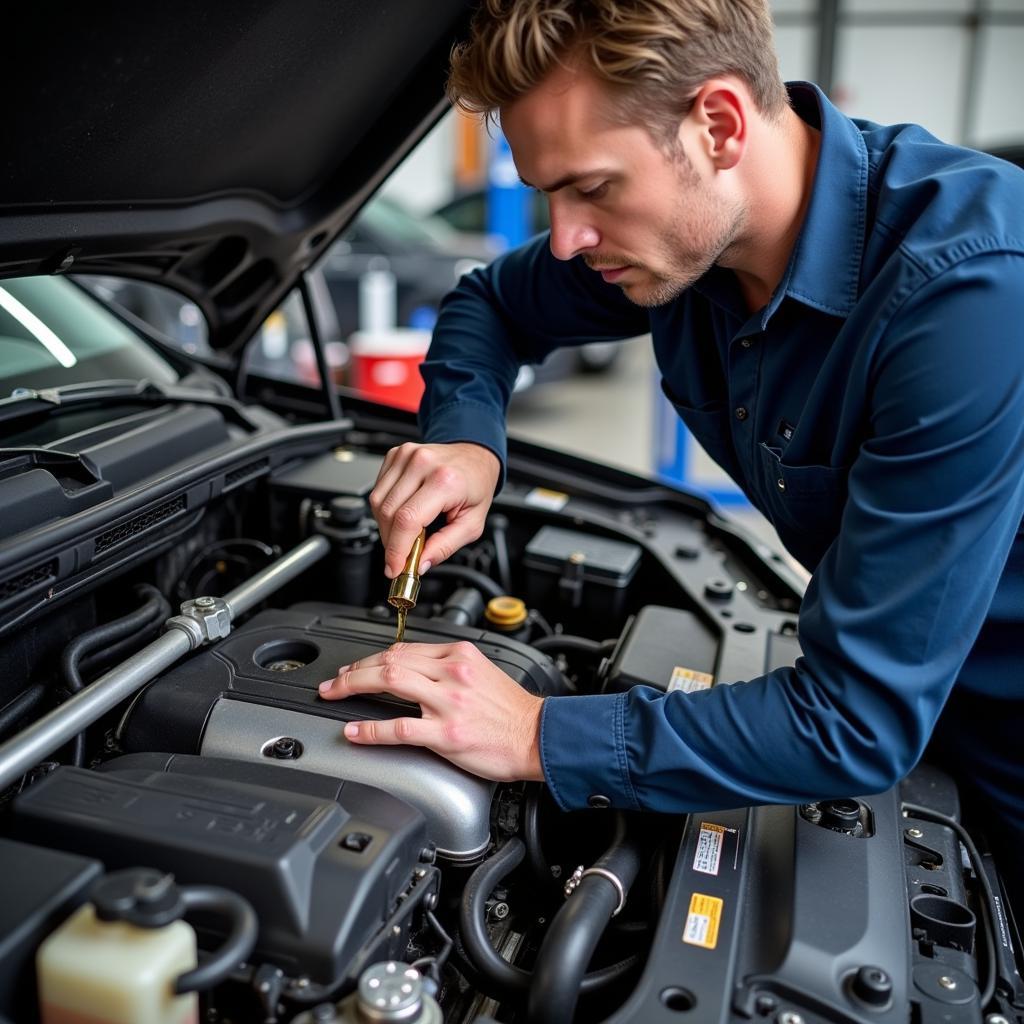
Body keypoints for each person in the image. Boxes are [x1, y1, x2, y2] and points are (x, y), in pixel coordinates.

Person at [319, 0, 1024, 906]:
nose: (567, 237)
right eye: (548, 194)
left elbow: (854, 721)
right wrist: (465, 439)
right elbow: (492, 304)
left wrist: (538, 733)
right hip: (909, 677)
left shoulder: (967, 292)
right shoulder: (693, 245)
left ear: (720, 124)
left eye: (594, 188)